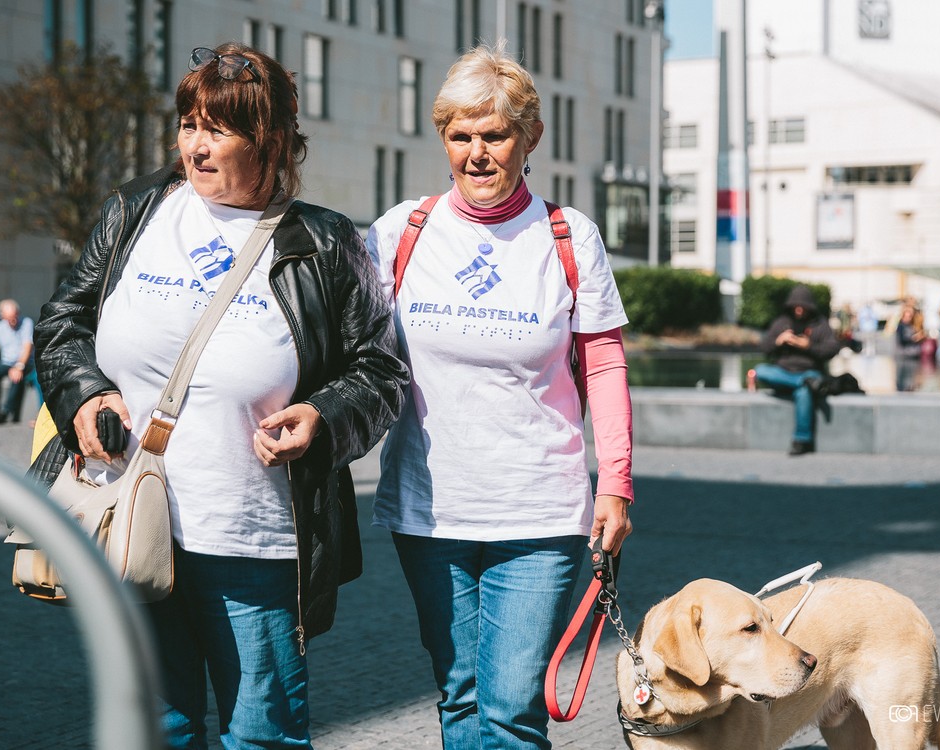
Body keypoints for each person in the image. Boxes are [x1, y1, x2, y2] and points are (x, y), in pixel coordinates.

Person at [33, 42, 408, 749]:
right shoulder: (135, 212)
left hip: (253, 542)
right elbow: (63, 323)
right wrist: (83, 396)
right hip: (133, 524)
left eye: (218, 130)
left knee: (262, 735)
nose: (196, 147)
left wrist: (323, 418)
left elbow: (380, 371)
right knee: (157, 728)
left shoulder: (325, 243)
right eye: (188, 125)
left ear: (267, 141)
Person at [366, 43, 633, 749]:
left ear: (529, 137)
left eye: (495, 134)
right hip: (430, 509)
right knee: (460, 700)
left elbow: (603, 362)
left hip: (541, 509)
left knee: (512, 709)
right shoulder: (402, 231)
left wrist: (617, 486)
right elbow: (351, 351)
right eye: (461, 136)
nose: (477, 153)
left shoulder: (568, 235)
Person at [754, 285, 841, 456]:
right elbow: (764, 347)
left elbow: (832, 349)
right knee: (761, 370)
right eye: (796, 306)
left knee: (803, 393)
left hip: (809, 371)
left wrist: (808, 346)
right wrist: (778, 341)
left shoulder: (820, 324)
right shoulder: (781, 323)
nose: (800, 310)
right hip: (784, 372)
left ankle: (801, 441)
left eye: (803, 306)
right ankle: (805, 384)